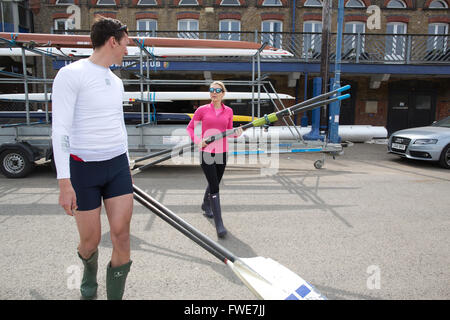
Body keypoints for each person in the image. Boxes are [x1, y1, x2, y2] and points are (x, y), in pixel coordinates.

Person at [52, 17, 133, 300]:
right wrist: (64, 183)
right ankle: (89, 278)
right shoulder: (71, 74)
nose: (128, 48)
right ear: (113, 41)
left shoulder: (115, 81)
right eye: (126, 42)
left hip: (117, 166)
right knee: (91, 241)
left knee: (122, 236)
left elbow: (118, 125)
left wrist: (127, 163)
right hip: (83, 170)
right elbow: (60, 130)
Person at [186, 81, 243, 238]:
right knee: (215, 186)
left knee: (214, 182)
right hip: (206, 152)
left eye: (218, 90)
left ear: (223, 94)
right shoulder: (202, 110)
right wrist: (198, 141)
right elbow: (190, 128)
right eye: (212, 90)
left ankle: (206, 205)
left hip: (222, 152)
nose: (214, 93)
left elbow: (228, 131)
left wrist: (236, 133)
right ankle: (219, 224)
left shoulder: (229, 111)